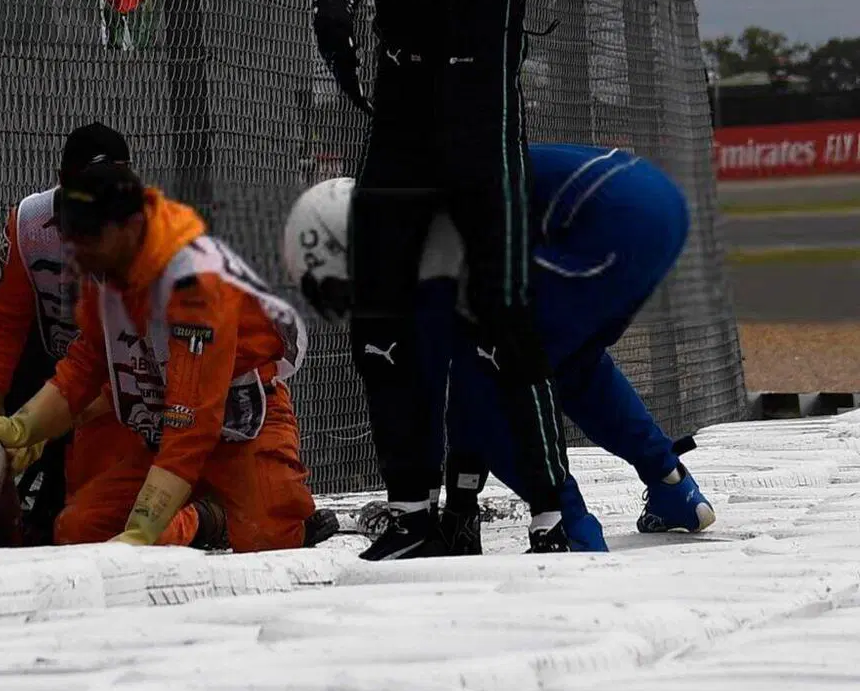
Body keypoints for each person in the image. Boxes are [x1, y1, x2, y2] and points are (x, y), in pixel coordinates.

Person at [311, 0, 579, 558]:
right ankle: (413, 511)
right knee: (379, 325)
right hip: (397, 133)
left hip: (485, 131)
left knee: (505, 321)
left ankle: (552, 512)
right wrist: (338, 8)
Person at [282, 145, 717, 552]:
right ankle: (673, 486)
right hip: (654, 204)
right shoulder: (420, 205)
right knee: (573, 369)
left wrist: (451, 507)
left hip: (601, 220)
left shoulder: (421, 242)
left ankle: (571, 531)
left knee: (496, 388)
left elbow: (436, 393)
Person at [0, 161, 316, 551]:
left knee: (268, 540)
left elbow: (191, 424)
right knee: (80, 531)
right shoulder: (106, 269)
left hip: (238, 427)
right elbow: (86, 362)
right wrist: (23, 427)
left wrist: (143, 527)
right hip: (159, 423)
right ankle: (203, 515)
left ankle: (217, 516)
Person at [0, 124, 136, 542]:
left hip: (123, 381)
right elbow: (1, 317)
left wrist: (44, 424)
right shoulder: (29, 222)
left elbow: (133, 366)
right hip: (60, 354)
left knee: (73, 520)